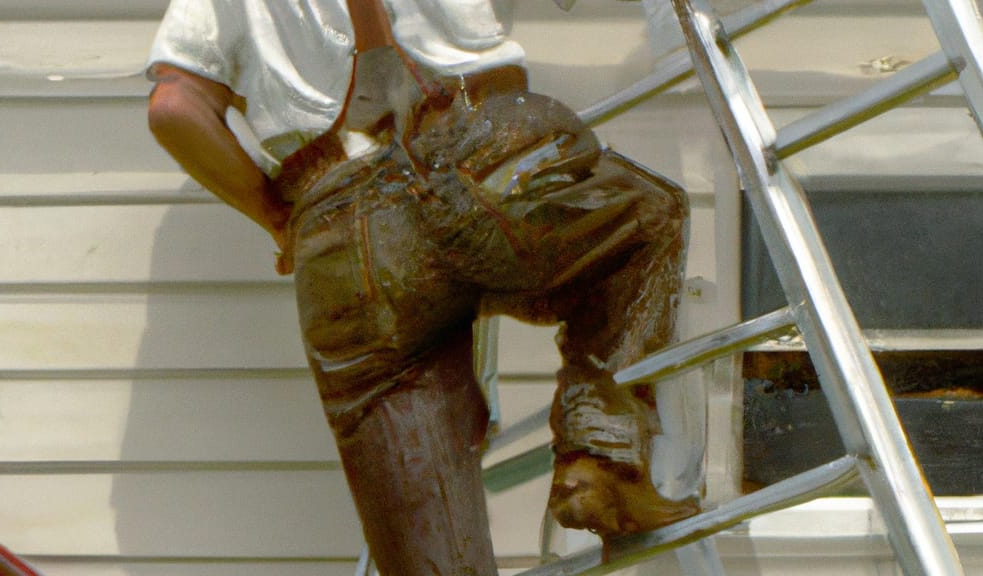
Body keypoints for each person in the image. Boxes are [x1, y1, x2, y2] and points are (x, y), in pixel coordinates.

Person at [146, 1, 697, 574]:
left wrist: (281, 219)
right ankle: (599, 456)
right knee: (644, 222)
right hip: (476, 160)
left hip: (337, 236)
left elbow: (173, 108)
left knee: (433, 559)